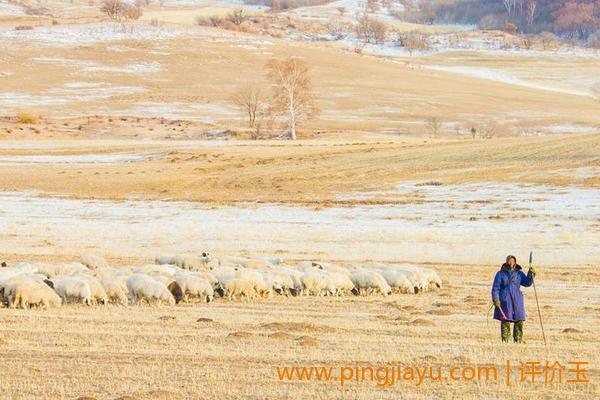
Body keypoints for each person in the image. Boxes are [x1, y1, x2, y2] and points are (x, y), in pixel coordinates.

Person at [491, 255, 536, 343]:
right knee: (505, 320)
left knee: (519, 319)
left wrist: (531, 275)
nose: (511, 262)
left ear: (515, 262)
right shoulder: (500, 274)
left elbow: (527, 283)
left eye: (512, 261)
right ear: (506, 262)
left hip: (517, 299)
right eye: (509, 260)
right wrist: (496, 299)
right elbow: (495, 288)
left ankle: (518, 339)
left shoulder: (519, 273)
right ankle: (505, 340)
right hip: (505, 299)